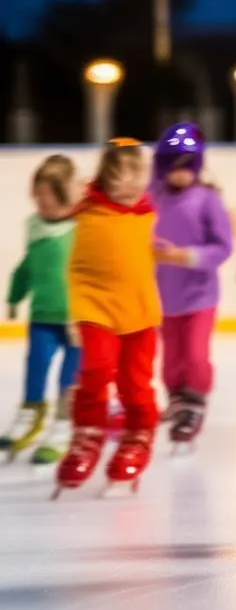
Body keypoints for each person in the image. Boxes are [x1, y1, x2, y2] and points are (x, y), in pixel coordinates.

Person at [55, 138, 161, 497]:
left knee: (135, 382)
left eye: (138, 177)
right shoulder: (86, 204)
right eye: (120, 178)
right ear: (105, 177)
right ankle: (87, 436)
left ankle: (139, 434)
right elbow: (61, 195)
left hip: (140, 311)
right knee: (96, 369)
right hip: (94, 306)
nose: (130, 186)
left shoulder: (149, 212)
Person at [151, 124, 234, 443]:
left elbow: (223, 246)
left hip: (199, 296)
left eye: (188, 167)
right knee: (171, 356)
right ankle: (175, 397)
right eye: (173, 166)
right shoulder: (153, 198)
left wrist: (185, 256)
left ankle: (195, 399)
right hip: (164, 297)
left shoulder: (207, 199)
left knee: (196, 354)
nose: (181, 174)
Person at [3, 155, 80, 464]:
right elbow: (27, 265)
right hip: (42, 317)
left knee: (69, 377)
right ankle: (31, 414)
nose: (41, 202)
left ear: (64, 194)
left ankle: (64, 425)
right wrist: (14, 295)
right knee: (35, 366)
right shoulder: (34, 226)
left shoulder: (81, 226)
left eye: (47, 195)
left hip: (77, 319)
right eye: (37, 194)